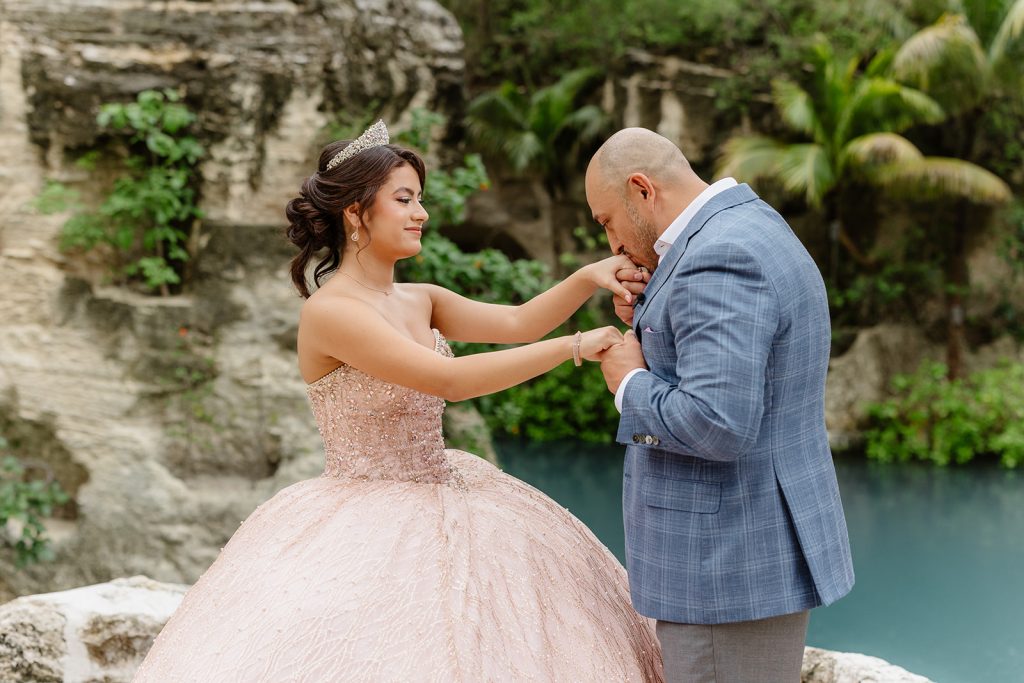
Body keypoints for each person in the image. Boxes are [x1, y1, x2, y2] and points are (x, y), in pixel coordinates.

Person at [132, 121, 664, 682]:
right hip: (365, 514)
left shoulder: (419, 297)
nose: (422, 214)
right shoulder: (332, 312)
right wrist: (573, 348)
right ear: (355, 213)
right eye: (404, 199)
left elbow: (517, 322)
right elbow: (448, 380)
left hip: (447, 485)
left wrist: (588, 277)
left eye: (420, 199)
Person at [587, 128, 855, 683]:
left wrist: (629, 381)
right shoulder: (749, 223)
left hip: (723, 569)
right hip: (748, 549)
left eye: (607, 221)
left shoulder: (718, 258)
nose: (612, 243)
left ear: (642, 189)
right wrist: (653, 315)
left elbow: (716, 423)